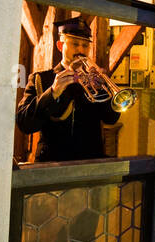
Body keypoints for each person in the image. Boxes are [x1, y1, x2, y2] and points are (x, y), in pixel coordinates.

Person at [16, 18, 122, 162]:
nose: (81, 50)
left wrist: (104, 91)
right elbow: (24, 124)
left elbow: (111, 119)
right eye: (75, 44)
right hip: (51, 163)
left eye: (85, 45)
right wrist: (52, 92)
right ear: (60, 45)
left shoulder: (95, 80)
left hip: (89, 163)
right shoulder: (40, 79)